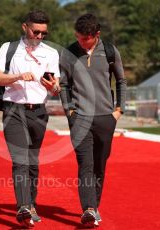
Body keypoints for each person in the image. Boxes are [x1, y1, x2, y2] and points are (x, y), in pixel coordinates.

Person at [0, 10, 60, 227]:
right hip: (14, 110)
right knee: (20, 159)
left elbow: (55, 86)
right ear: (25, 27)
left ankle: (31, 204)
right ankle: (23, 207)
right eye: (36, 32)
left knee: (32, 162)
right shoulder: (8, 49)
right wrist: (17, 76)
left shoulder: (51, 53)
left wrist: (54, 87)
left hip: (39, 111)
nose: (39, 37)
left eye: (44, 34)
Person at [59, 13, 127, 228]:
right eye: (78, 37)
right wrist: (69, 111)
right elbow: (63, 85)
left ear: (96, 35)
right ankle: (88, 209)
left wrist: (119, 110)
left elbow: (121, 80)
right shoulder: (69, 53)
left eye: (84, 38)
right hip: (80, 118)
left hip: (106, 118)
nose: (80, 42)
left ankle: (93, 208)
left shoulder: (109, 51)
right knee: (85, 165)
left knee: (99, 165)